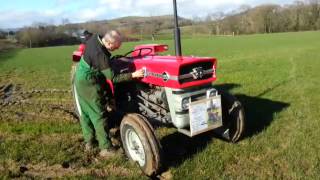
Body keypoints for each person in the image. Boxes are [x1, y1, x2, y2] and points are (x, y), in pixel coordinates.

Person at [74, 30, 144, 158]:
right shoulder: (101, 55)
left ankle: (89, 143)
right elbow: (113, 78)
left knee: (85, 113)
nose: (116, 49)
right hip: (89, 82)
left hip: (80, 79)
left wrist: (110, 97)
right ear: (109, 43)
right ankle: (106, 148)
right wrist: (133, 75)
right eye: (116, 47)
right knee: (98, 115)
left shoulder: (96, 37)